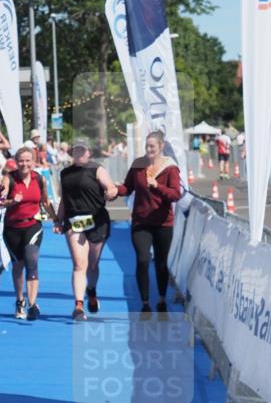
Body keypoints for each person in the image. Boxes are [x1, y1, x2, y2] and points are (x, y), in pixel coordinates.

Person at [118, 131, 182, 315]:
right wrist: (115, 190)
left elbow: (175, 195)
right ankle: (145, 302)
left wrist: (157, 186)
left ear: (161, 147)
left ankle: (161, 298)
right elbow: (128, 187)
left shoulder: (170, 168)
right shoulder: (138, 165)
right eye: (147, 146)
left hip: (163, 223)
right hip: (141, 221)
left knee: (161, 263)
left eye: (152, 146)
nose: (149, 149)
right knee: (143, 259)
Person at [56, 141, 118, 320]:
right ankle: (78, 306)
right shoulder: (65, 173)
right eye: (76, 151)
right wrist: (59, 220)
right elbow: (64, 200)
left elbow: (111, 188)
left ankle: (91, 290)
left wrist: (111, 193)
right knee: (78, 264)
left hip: (97, 221)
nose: (80, 154)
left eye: (83, 151)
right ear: (72, 153)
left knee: (92, 265)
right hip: (74, 222)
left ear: (88, 153)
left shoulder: (96, 169)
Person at [1, 146, 55, 320]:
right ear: (16, 162)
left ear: (33, 161)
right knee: (18, 265)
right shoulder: (9, 179)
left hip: (33, 225)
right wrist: (12, 201)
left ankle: (32, 304)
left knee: (32, 260)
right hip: (12, 228)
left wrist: (57, 219)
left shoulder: (39, 179)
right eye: (21, 161)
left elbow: (46, 202)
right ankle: (20, 300)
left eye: (28, 160)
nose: (24, 164)